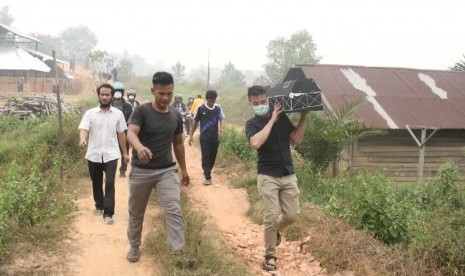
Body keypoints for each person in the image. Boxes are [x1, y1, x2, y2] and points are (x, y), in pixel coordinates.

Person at [126, 71, 190, 263]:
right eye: (161, 93)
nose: (165, 97)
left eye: (169, 93)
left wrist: (184, 170)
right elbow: (130, 133)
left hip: (166, 171)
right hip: (141, 171)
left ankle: (178, 253)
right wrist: (139, 147)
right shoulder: (142, 111)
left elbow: (178, 144)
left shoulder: (176, 115)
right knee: (136, 212)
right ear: (153, 90)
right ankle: (134, 246)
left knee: (174, 210)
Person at [244, 85, 308, 272]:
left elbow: (296, 139)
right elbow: (255, 143)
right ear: (250, 104)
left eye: (263, 102)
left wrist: (304, 117)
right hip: (267, 176)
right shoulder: (251, 124)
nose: (260, 105)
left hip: (288, 173)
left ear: (268, 100)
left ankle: (276, 230)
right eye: (256, 103)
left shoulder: (283, 118)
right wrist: (271, 120)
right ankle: (269, 256)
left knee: (292, 215)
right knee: (270, 216)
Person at [78, 83, 130, 225]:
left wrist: (125, 153)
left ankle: (108, 213)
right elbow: (84, 128)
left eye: (107, 95)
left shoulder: (118, 114)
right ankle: (99, 205)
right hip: (94, 153)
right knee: (96, 182)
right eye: (102, 94)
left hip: (111, 154)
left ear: (112, 96)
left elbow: (121, 135)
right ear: (99, 96)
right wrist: (83, 139)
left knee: (109, 183)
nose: (105, 97)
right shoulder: (90, 113)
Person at [188, 90, 225, 185]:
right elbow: (195, 122)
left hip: (214, 138)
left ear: (215, 99)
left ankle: (207, 170)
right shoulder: (201, 108)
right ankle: (207, 177)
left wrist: (221, 130)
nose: (211, 103)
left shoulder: (218, 108)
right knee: (205, 156)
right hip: (204, 137)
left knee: (212, 156)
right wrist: (191, 135)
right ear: (206, 99)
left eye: (213, 101)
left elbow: (221, 119)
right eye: (209, 101)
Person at [111, 82, 133, 177]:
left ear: (123, 92)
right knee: (111, 153)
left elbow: (131, 121)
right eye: (116, 91)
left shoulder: (128, 106)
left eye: (119, 91)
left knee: (124, 151)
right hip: (110, 133)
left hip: (124, 132)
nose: (117, 93)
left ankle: (123, 170)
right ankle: (110, 172)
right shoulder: (108, 104)